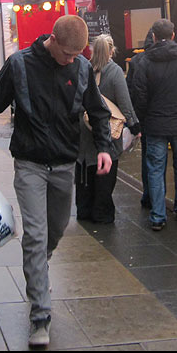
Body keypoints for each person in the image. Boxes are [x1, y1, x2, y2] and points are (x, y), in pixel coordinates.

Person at [0, 15, 112, 348]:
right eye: (68, 54)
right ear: (53, 40)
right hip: (29, 163)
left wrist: (104, 148)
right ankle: (40, 316)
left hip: (63, 164)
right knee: (35, 233)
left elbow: (98, 112)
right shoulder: (19, 65)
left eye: (77, 55)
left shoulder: (82, 68)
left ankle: (39, 264)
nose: (72, 61)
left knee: (56, 229)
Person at [130, 19, 177, 231]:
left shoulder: (143, 62)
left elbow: (139, 95)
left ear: (153, 36)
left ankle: (158, 215)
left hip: (155, 125)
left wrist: (144, 117)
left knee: (155, 168)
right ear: (173, 35)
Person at [76, 34, 139, 224]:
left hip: (83, 130)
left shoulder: (83, 67)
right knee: (105, 170)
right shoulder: (115, 71)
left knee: (85, 167)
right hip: (107, 131)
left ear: (92, 50)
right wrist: (135, 126)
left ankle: (84, 209)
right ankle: (101, 212)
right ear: (112, 51)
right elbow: (125, 102)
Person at [125, 29, 156, 209]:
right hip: (164, 116)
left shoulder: (137, 61)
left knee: (148, 157)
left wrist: (135, 117)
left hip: (145, 117)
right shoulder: (176, 57)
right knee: (176, 162)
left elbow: (130, 90)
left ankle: (148, 194)